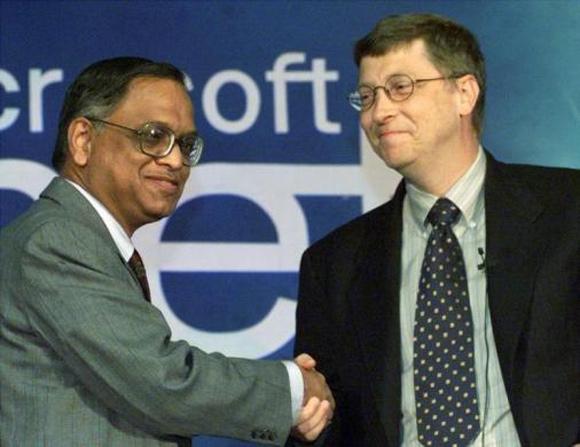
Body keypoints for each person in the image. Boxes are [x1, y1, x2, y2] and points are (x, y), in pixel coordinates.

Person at [0, 57, 334, 447]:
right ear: (83, 140)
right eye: (153, 135)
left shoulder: (81, 240)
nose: (175, 160)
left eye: (186, 144)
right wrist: (293, 389)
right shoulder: (56, 240)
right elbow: (161, 381)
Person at [293, 13, 579, 447]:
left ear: (464, 93)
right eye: (367, 96)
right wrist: (310, 422)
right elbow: (329, 423)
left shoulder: (569, 210)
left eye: (400, 87)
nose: (380, 111)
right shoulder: (334, 264)